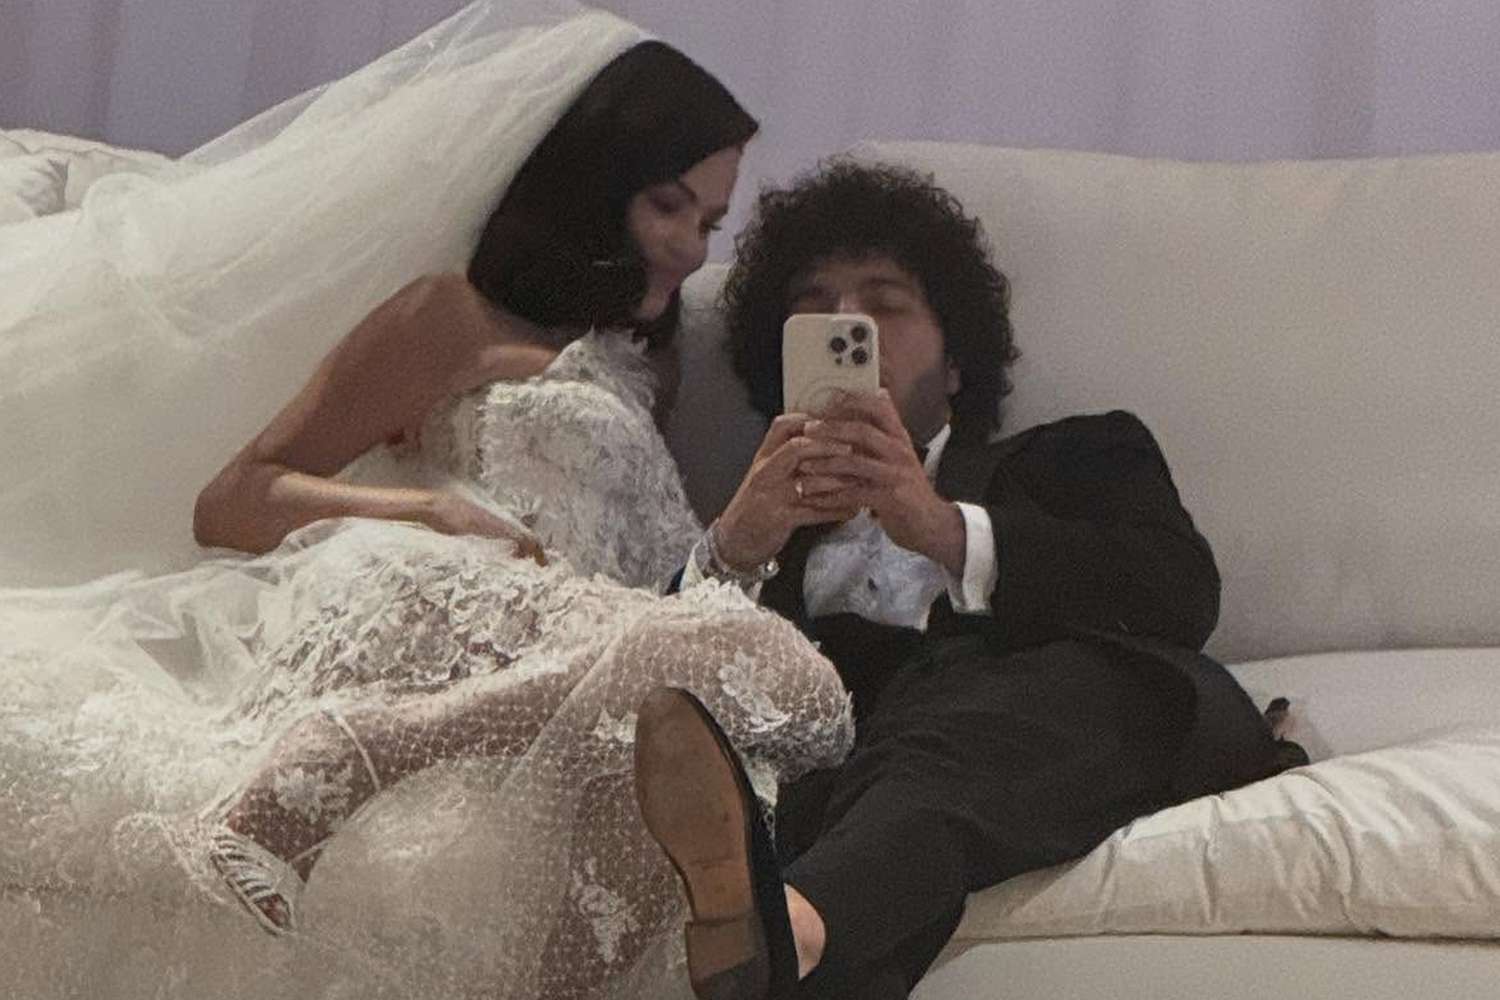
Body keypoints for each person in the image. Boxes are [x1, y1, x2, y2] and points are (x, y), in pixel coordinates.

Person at [0, 23, 854, 1000]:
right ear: (594, 181)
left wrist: (739, 537)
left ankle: (361, 759)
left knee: (784, 701)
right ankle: (353, 750)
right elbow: (234, 498)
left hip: (564, 656)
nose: (689, 247)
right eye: (668, 204)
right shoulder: (448, 318)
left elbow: (656, 611)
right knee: (787, 683)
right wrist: (424, 513)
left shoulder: (641, 374)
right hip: (434, 604)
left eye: (709, 222)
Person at [634, 159, 1297, 1000]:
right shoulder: (765, 531)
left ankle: (791, 922)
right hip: (854, 768)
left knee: (1029, 703)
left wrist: (944, 529)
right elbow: (653, 703)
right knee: (836, 775)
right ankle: (792, 935)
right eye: (816, 304)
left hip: (1045, 715)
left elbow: (1177, 596)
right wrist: (732, 549)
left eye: (883, 303)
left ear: (955, 365)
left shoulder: (1075, 453)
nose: (844, 322)